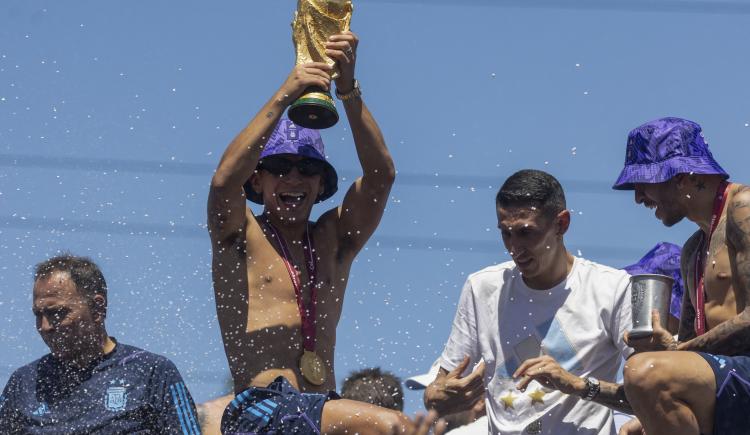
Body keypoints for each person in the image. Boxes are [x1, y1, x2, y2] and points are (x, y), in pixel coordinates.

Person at [207, 30, 410, 434]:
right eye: (280, 169)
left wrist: (348, 89)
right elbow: (222, 184)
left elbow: (381, 175)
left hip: (320, 406)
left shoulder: (334, 239)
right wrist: (287, 93)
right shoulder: (240, 234)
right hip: (259, 408)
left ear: (321, 185)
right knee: (395, 429)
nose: (294, 178)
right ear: (258, 181)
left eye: (307, 170)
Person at [424, 169, 634, 435]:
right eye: (506, 234)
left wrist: (578, 385)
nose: (514, 248)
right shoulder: (482, 288)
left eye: (526, 233)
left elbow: (648, 397)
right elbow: (437, 390)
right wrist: (438, 396)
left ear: (561, 224)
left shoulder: (611, 287)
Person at [611, 117, 750, 435]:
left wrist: (676, 355)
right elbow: (688, 348)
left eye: (644, 182)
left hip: (740, 378)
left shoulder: (744, 208)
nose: (638, 197)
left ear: (684, 177)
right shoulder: (692, 251)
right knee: (641, 402)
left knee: (646, 373)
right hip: (731, 385)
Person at [0, 254, 200, 434]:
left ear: (97, 308)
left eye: (57, 313)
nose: (45, 327)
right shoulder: (24, 383)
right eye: (38, 315)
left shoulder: (152, 372)